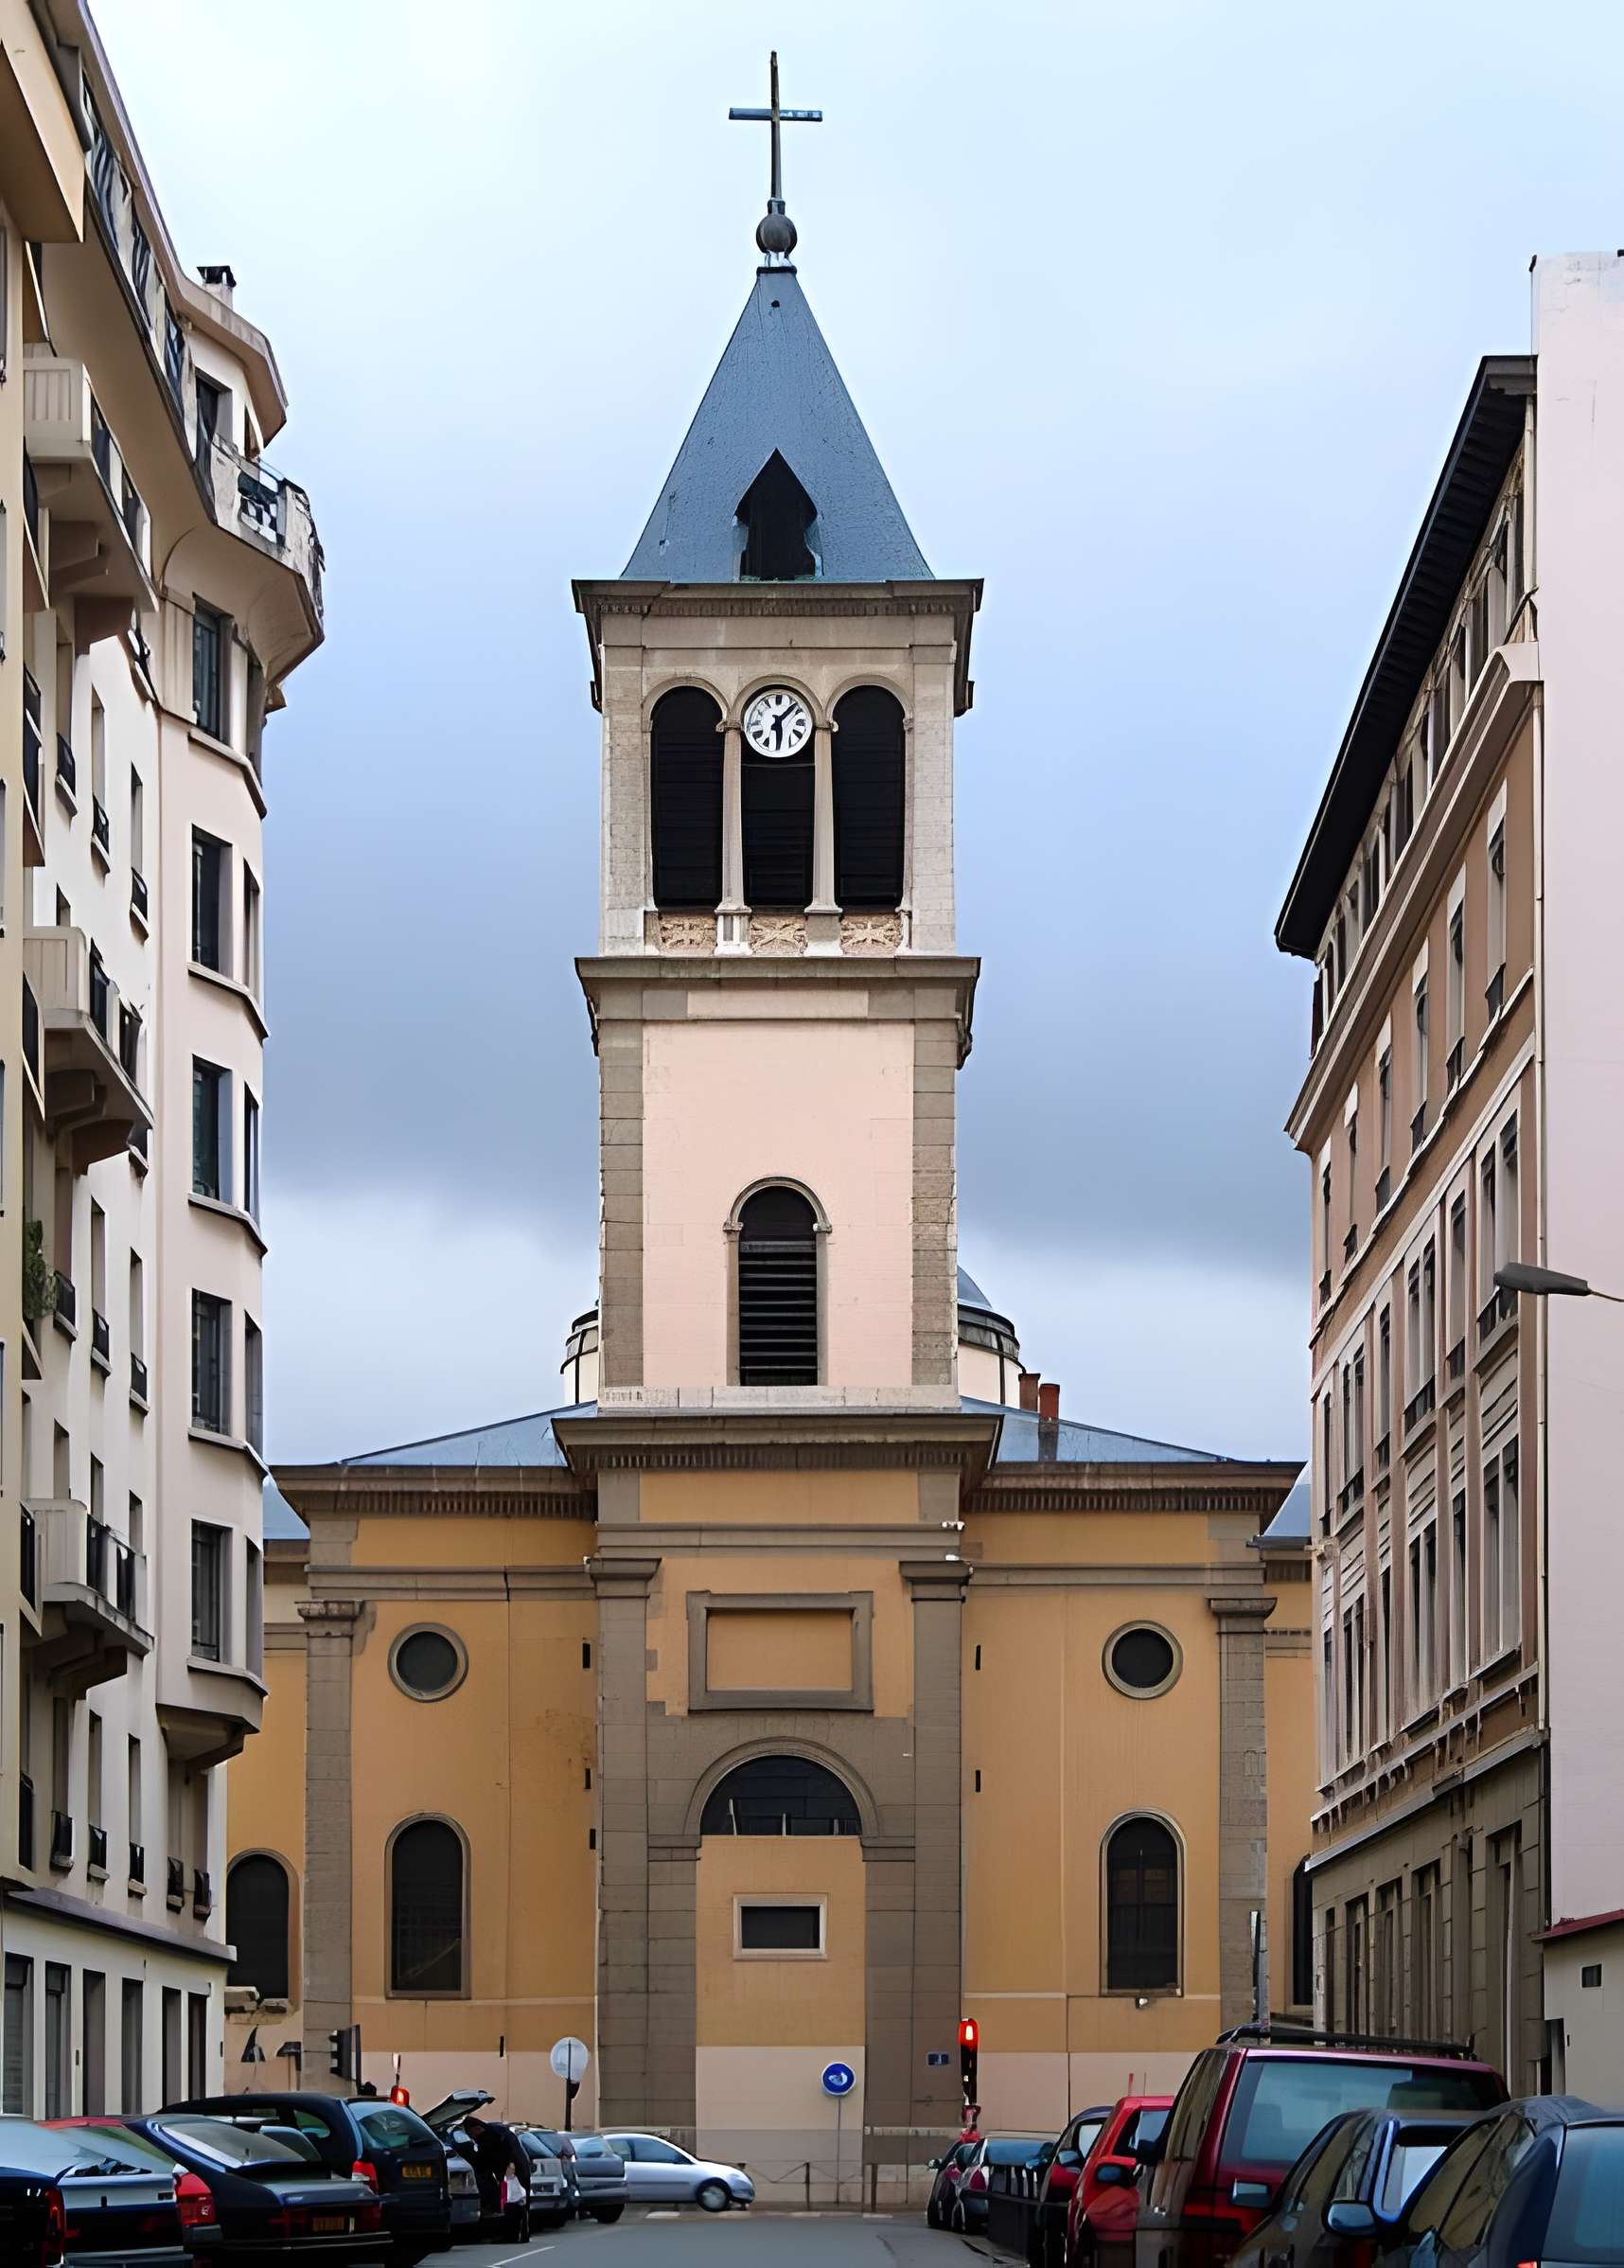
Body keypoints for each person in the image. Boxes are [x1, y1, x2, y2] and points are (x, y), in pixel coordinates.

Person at [464, 2115, 530, 2233]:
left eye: (471, 2134)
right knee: (519, 2201)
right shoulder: (499, 2131)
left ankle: (511, 2232)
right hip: (520, 2168)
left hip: (510, 2172)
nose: (472, 2137)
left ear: (477, 2129)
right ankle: (523, 2231)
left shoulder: (488, 2137)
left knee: (509, 2202)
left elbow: (486, 2160)